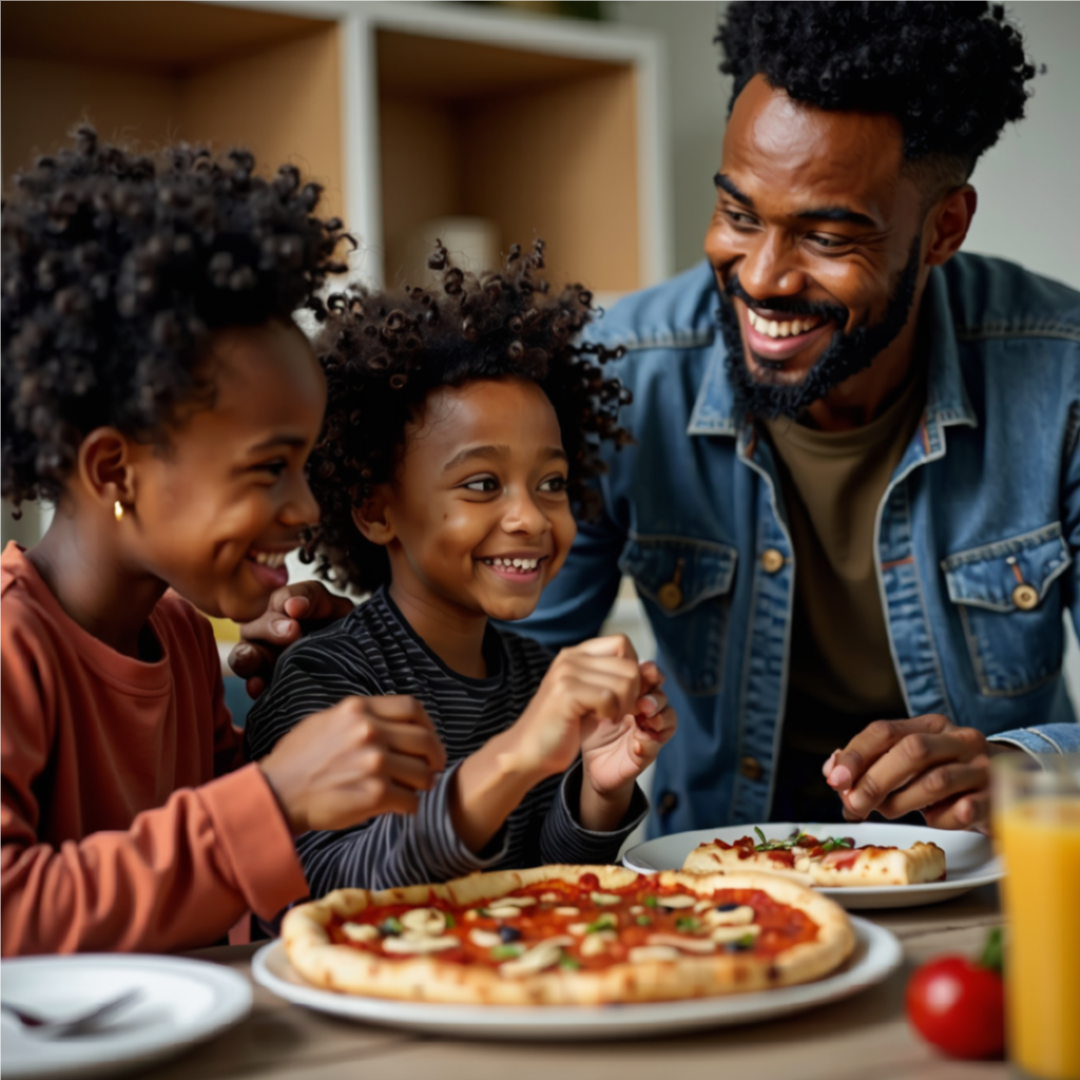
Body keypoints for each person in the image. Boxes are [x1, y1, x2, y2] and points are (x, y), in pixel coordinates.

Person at [235, 0, 1080, 838]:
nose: (764, 278)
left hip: (995, 884)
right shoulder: (623, 373)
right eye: (739, 216)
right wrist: (373, 652)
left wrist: (1023, 768)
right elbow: (503, 686)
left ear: (943, 229)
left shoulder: (1063, 374)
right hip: (720, 884)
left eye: (827, 237)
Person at [0, 129, 445, 956]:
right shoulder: (11, 646)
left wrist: (304, 710)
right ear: (115, 469)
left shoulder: (177, 634)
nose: (307, 506)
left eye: (306, 465)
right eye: (270, 468)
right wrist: (275, 797)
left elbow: (221, 883)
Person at [242, 242, 676, 894]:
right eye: (481, 484)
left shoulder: (534, 671)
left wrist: (598, 789)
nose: (530, 517)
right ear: (376, 512)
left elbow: (550, 883)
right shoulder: (324, 675)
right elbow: (323, 890)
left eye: (552, 482)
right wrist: (518, 753)